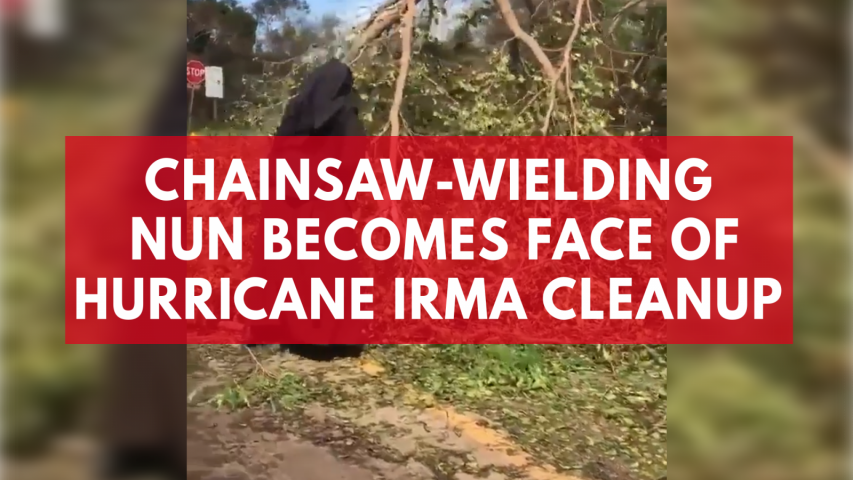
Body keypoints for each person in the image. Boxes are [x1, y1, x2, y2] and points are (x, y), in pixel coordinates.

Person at [244, 59, 366, 355]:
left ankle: (270, 329)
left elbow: (276, 157)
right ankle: (318, 340)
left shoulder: (296, 111)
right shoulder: (345, 114)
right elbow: (352, 162)